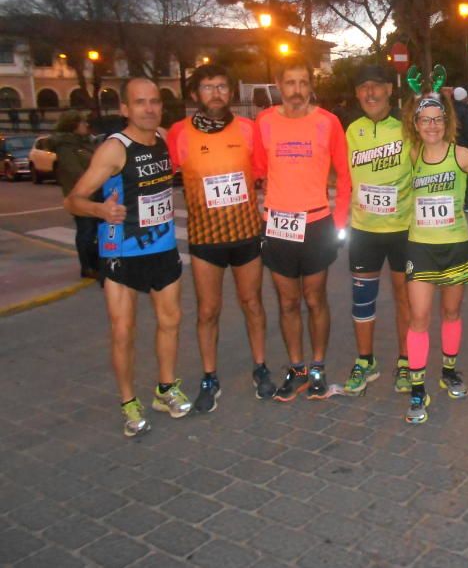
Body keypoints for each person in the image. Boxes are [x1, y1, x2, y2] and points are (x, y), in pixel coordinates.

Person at [64, 78, 190, 437]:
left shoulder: (164, 138)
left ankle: (165, 389)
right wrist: (100, 210)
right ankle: (128, 402)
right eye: (140, 102)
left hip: (162, 246)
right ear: (124, 108)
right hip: (122, 253)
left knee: (171, 321)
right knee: (123, 331)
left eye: (154, 101)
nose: (149, 108)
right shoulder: (114, 149)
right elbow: (73, 200)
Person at [166, 64, 274, 413]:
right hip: (205, 239)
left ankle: (260, 367)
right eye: (208, 87)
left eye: (222, 87)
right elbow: (160, 175)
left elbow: (262, 173)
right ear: (196, 95)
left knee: (252, 303)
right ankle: (209, 376)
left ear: (230, 93)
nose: (216, 93)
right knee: (208, 311)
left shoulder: (247, 129)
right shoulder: (179, 133)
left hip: (245, 235)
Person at [255, 61, 351, 402]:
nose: (297, 89)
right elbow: (257, 169)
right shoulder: (265, 122)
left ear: (312, 86)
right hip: (279, 224)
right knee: (288, 301)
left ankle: (318, 368)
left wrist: (338, 224)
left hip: (316, 223)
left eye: (303, 82)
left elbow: (344, 175)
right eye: (290, 82)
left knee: (315, 299)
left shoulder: (328, 122)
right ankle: (296, 370)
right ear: (279, 86)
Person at [402, 91, 468, 424]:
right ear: (416, 124)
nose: (432, 125)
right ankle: (417, 386)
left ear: (447, 122)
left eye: (438, 119)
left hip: (455, 246)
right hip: (420, 247)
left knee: (451, 311)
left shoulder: (461, 155)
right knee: (419, 316)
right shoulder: (410, 155)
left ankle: (449, 371)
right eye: (426, 119)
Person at [342, 65, 412, 395]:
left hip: (403, 229)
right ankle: (365, 361)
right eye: (363, 87)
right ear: (357, 94)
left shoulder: (407, 127)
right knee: (362, 300)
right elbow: (337, 173)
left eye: (376, 86)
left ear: (389, 90)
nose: (370, 93)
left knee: (404, 299)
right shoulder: (350, 130)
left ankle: (405, 361)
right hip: (364, 229)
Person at [50, 110, 99, 278]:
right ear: (73, 125)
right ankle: (88, 267)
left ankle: (95, 264)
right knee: (86, 230)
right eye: (82, 123)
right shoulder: (66, 147)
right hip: (81, 196)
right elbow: (74, 172)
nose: (86, 125)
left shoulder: (85, 143)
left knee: (94, 230)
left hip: (94, 193)